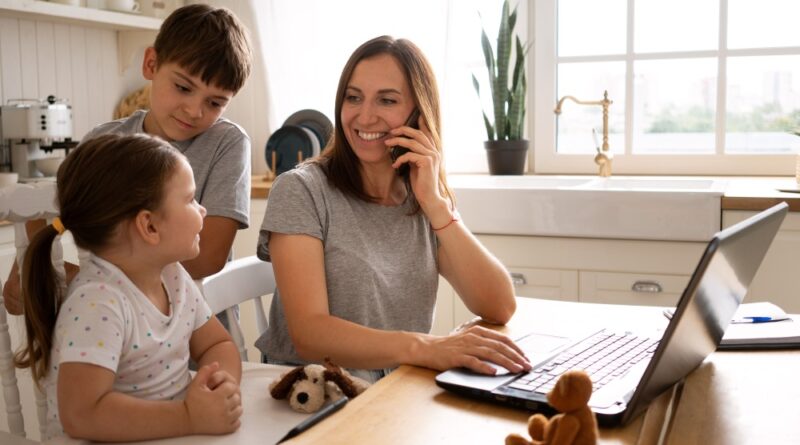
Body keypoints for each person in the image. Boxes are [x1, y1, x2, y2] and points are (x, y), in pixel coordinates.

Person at [255, 36, 531, 383]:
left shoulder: (422, 198)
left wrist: (436, 204)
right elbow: (309, 335)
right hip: (313, 393)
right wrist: (426, 347)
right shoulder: (301, 190)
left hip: (396, 385)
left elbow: (499, 305)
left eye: (386, 100)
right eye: (353, 98)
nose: (365, 116)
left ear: (419, 114)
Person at [3, 3, 253, 316]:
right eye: (183, 87)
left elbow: (208, 258)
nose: (194, 110)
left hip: (194, 332)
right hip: (105, 324)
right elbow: (52, 212)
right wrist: (28, 269)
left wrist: (85, 278)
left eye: (215, 102)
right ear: (151, 64)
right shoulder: (103, 141)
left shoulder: (226, 143)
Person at [14, 134, 243, 441]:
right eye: (190, 199)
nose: (202, 210)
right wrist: (189, 416)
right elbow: (82, 414)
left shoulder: (173, 277)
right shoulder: (98, 303)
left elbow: (217, 344)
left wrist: (221, 384)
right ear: (149, 226)